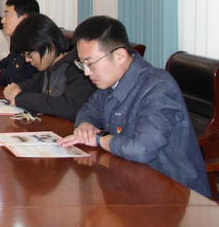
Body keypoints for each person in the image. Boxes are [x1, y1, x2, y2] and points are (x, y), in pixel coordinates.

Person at [59, 16, 211, 198]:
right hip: (130, 181)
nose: (86, 72)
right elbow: (88, 110)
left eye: (90, 63)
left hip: (174, 195)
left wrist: (99, 138)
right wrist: (85, 125)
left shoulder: (159, 87)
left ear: (120, 56)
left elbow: (141, 149)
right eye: (82, 63)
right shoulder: (111, 81)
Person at [3, 14, 96, 121]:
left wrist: (21, 98)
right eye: (25, 55)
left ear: (50, 47)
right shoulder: (49, 68)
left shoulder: (78, 67)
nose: (27, 60)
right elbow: (35, 84)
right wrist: (16, 87)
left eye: (29, 54)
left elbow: (69, 107)